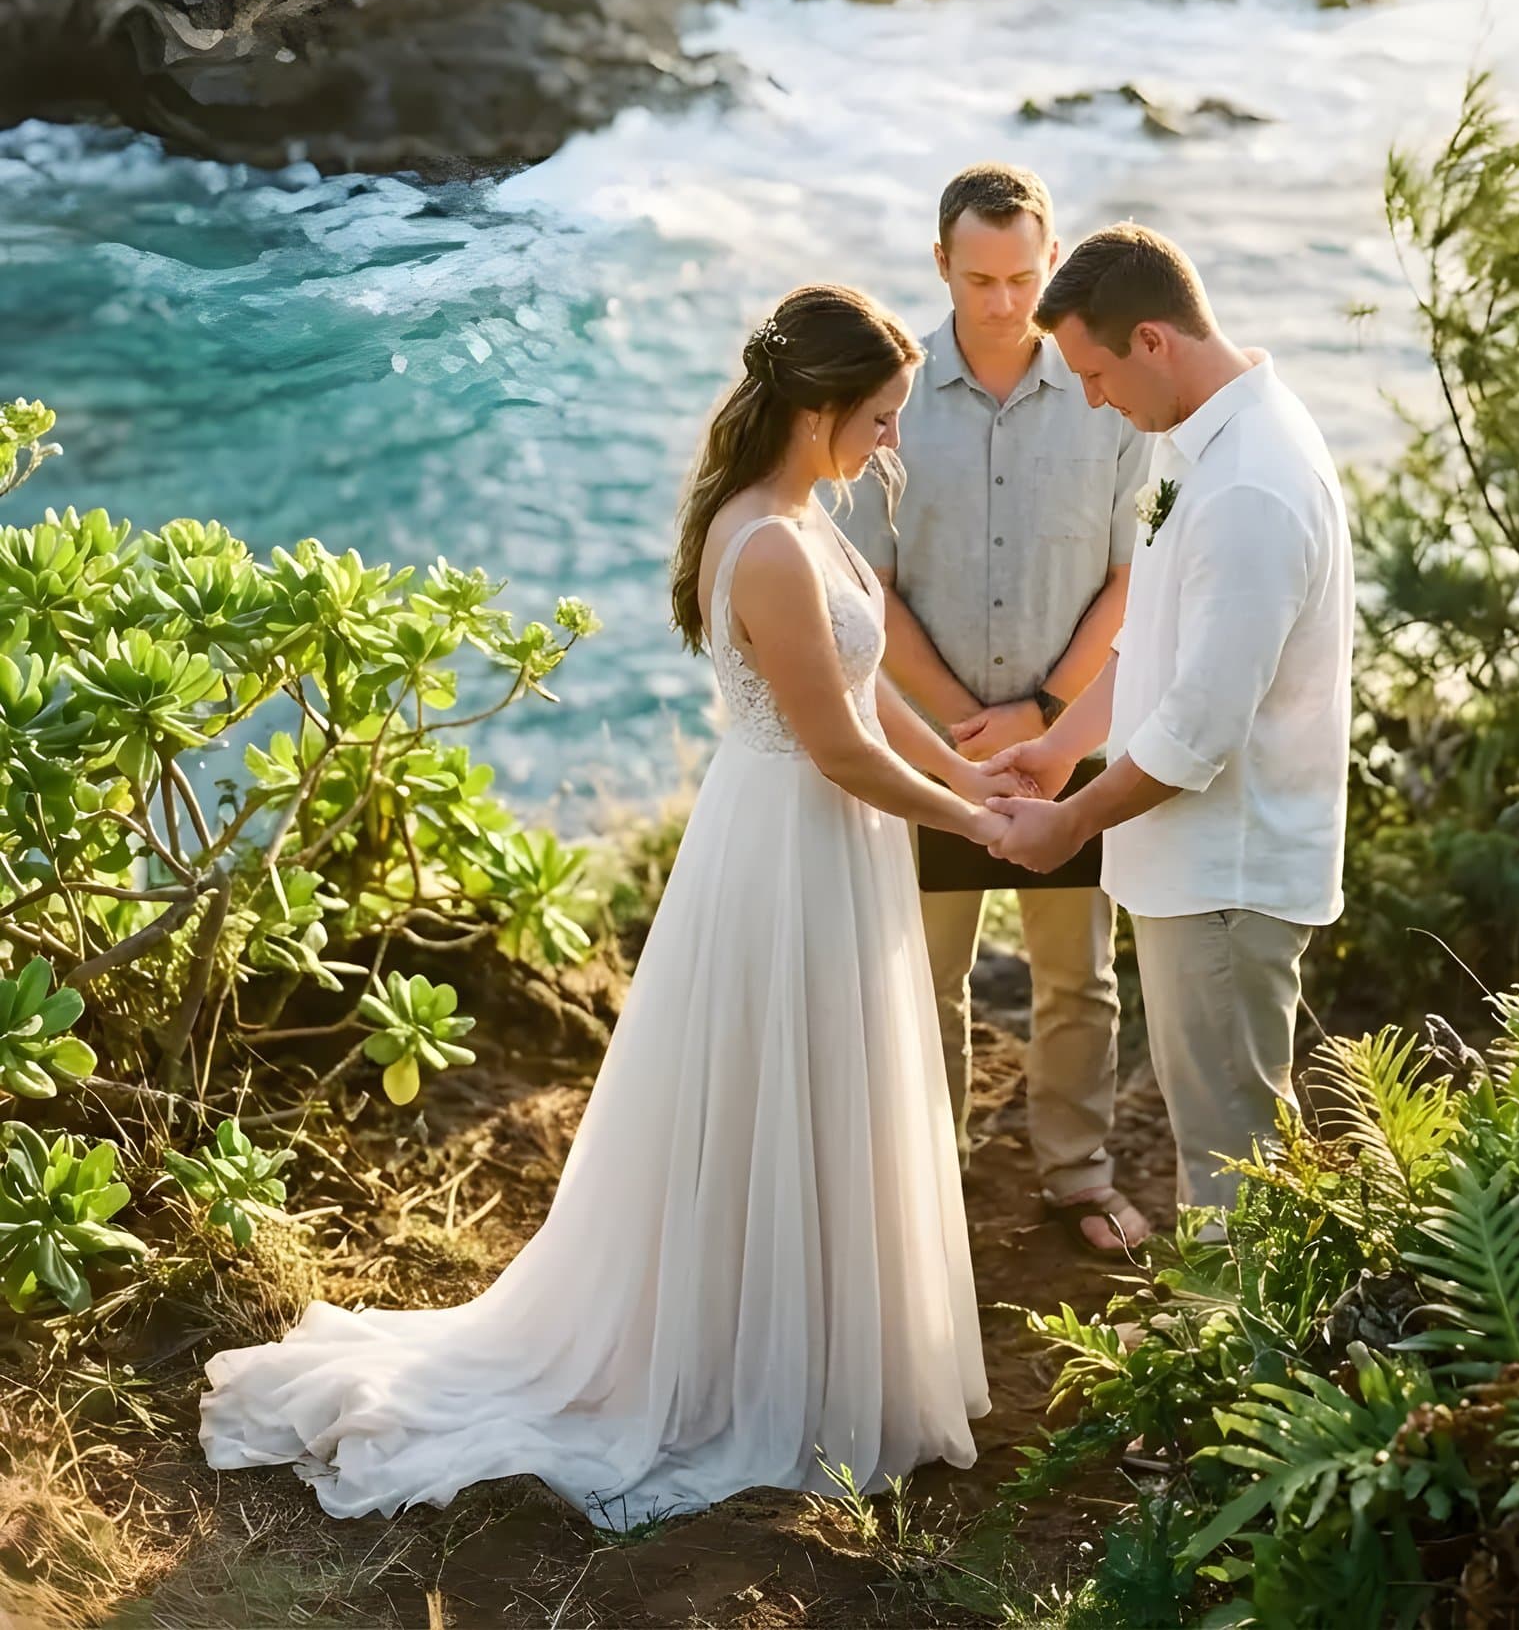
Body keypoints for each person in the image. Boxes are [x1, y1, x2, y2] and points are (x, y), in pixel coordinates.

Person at [200, 286, 1012, 1524]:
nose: (893, 439)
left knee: (811, 1084)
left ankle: (802, 1339)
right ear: (822, 408)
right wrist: (983, 824)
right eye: (884, 416)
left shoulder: (809, 516)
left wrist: (962, 766)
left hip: (819, 839)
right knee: (768, 1085)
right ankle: (741, 1366)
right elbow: (838, 749)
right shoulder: (777, 545)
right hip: (788, 845)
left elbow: (867, 688)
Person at [983, 226, 1353, 1237]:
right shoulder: (1202, 447)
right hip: (1193, 871)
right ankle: (1218, 1357)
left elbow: (1199, 728)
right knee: (1217, 1144)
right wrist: (1063, 749)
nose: (1094, 399)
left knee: (1235, 1163)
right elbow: (1159, 640)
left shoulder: (1248, 487)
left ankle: (1235, 1376)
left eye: (1096, 373)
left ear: (1152, 341)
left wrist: (1071, 826)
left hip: (1226, 875)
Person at [848, 166, 1153, 1256]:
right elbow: (864, 585)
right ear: (941, 265)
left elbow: (1133, 574)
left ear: (1050, 259)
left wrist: (1044, 712)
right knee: (924, 975)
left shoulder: (1105, 394)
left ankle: (1077, 1172)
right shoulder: (892, 401)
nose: (1003, 302)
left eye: (1024, 276)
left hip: (1072, 736)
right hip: (930, 750)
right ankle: (931, 1181)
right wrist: (963, 727)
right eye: (979, 279)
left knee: (1078, 972)